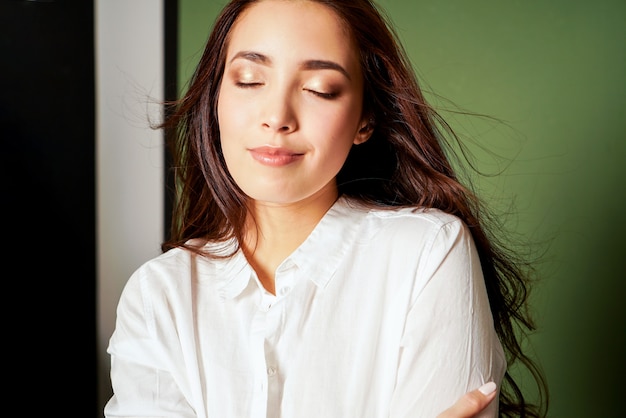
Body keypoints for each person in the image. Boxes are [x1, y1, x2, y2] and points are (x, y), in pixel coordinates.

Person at [104, 0, 548, 417]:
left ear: (365, 119)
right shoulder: (158, 296)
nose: (277, 116)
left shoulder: (427, 253)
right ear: (215, 98)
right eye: (250, 80)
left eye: (320, 88)